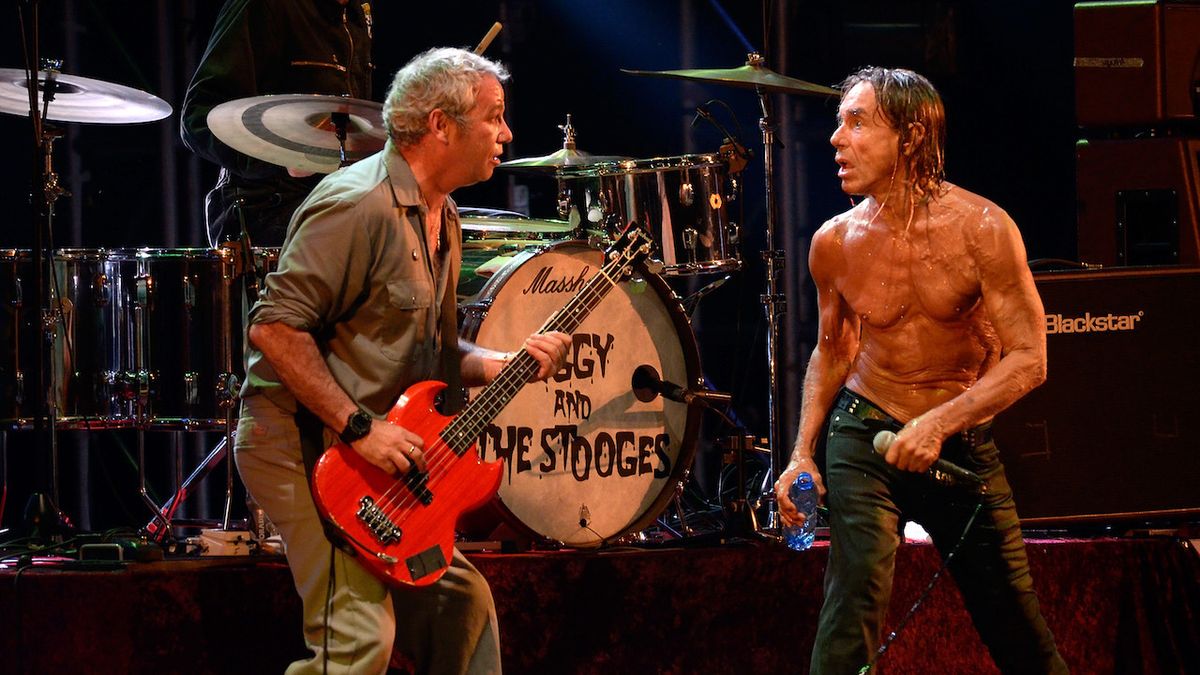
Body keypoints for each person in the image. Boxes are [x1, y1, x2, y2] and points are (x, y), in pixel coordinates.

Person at [234, 47, 572, 674]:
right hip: (302, 445)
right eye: (494, 117)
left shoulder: (444, 212)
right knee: (359, 636)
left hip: (376, 453)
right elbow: (275, 328)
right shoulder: (355, 204)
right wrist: (360, 428)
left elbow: (436, 351)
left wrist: (503, 362)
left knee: (461, 603)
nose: (508, 134)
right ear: (441, 125)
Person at [774, 67, 1069, 674]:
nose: (836, 138)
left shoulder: (983, 229)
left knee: (1014, 620)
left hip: (957, 440)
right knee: (850, 606)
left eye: (857, 121)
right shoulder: (833, 242)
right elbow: (832, 350)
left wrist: (938, 425)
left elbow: (1030, 358)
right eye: (838, 121)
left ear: (909, 137)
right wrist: (802, 452)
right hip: (864, 431)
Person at [180, 0, 373, 247]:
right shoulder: (265, 5)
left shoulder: (357, 13)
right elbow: (198, 117)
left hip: (333, 204)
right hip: (266, 212)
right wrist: (281, 159)